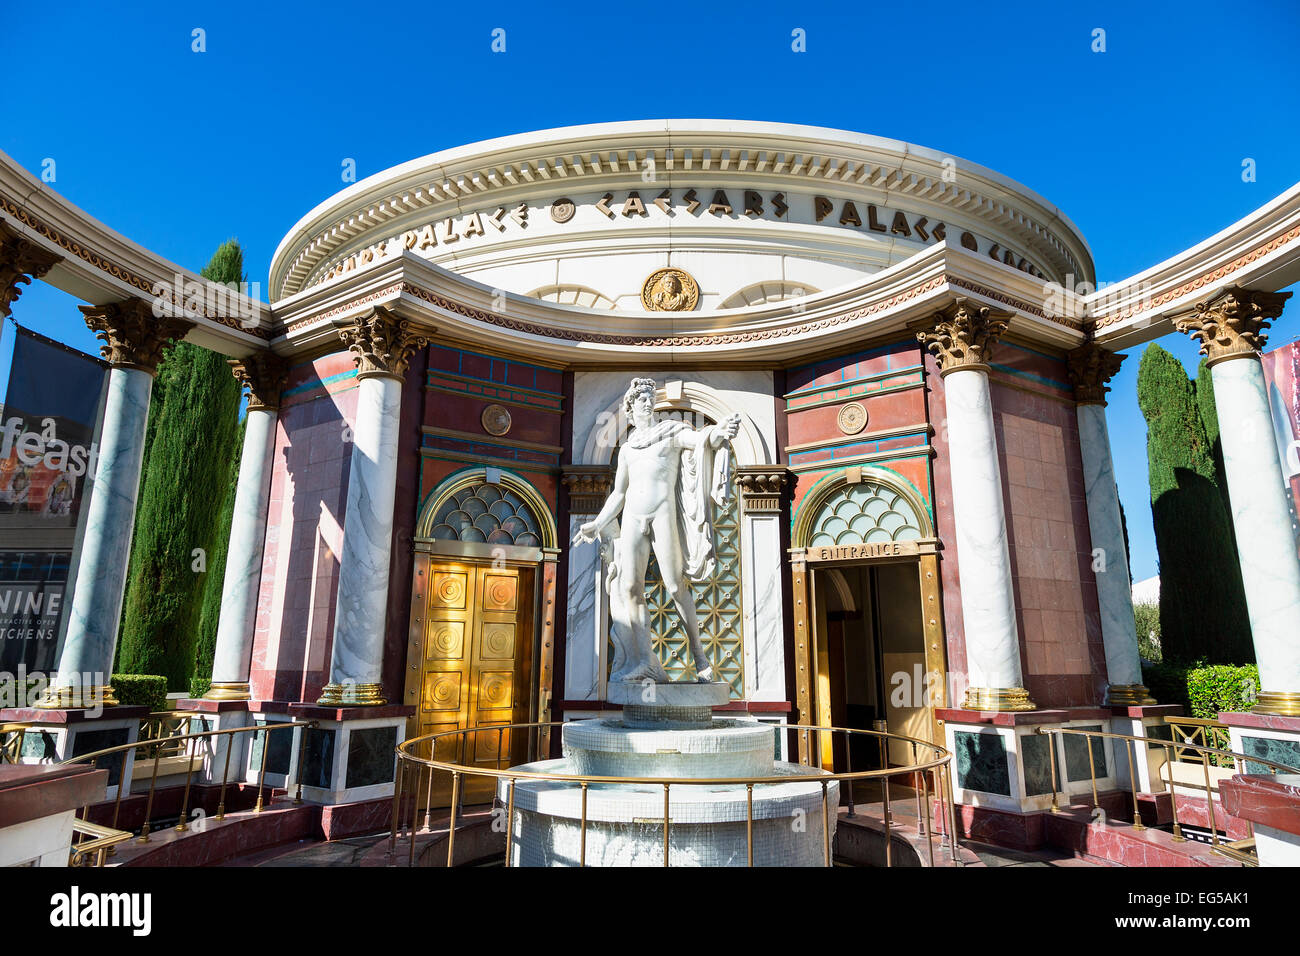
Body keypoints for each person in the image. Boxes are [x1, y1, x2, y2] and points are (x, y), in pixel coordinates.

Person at [573, 378, 740, 683]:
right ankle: (643, 660)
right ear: (631, 407)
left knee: (675, 586)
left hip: (662, 515)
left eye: (650, 398)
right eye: (641, 399)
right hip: (634, 518)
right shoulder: (627, 450)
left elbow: (701, 441)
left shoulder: (672, 433)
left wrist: (718, 432)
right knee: (630, 589)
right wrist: (597, 522)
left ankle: (700, 658)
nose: (648, 403)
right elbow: (619, 494)